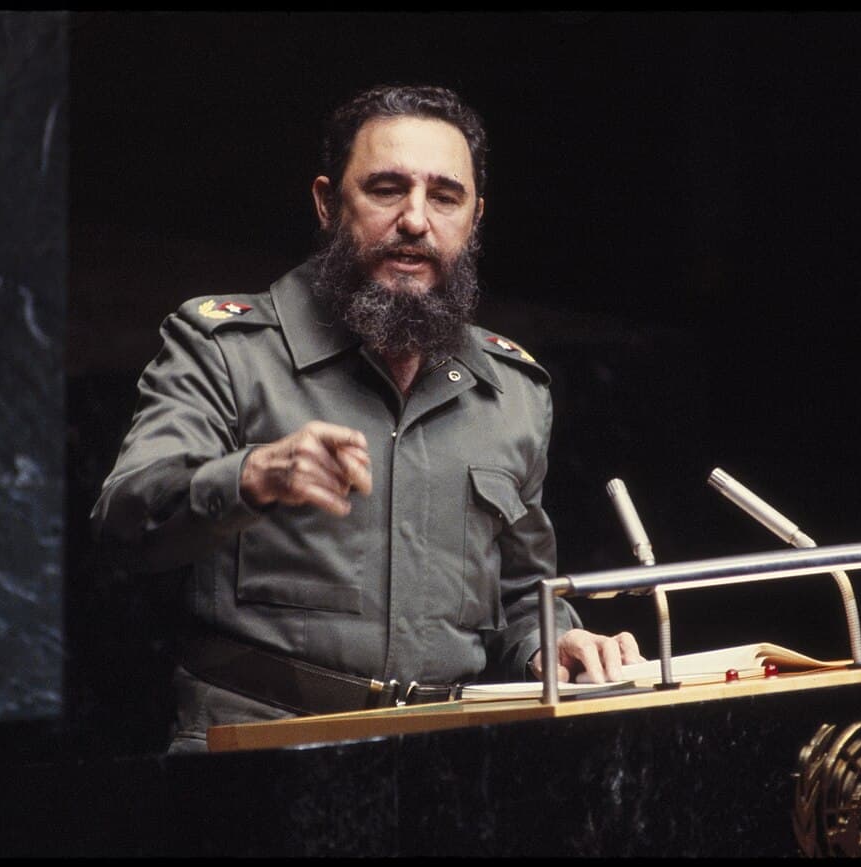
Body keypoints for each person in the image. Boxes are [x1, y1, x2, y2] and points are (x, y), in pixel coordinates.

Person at [91, 83, 643, 753]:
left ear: (474, 219)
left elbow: (522, 594)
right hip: (260, 756)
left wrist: (553, 644)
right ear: (328, 202)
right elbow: (124, 521)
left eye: (445, 197)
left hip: (451, 764)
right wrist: (250, 476)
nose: (415, 219)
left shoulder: (513, 390)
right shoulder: (227, 350)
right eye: (386, 189)